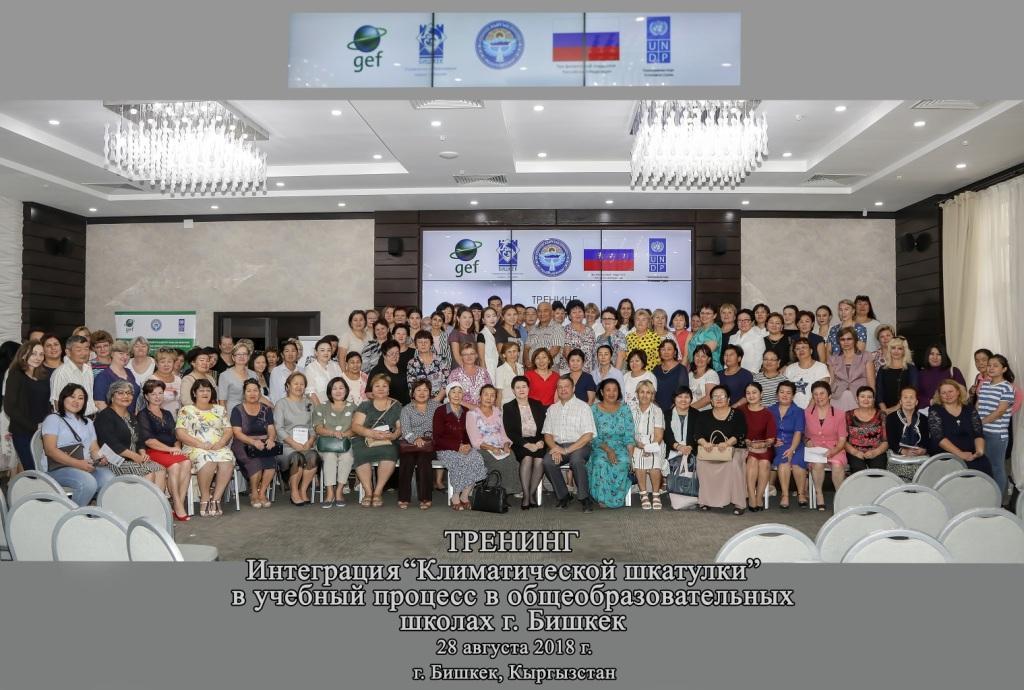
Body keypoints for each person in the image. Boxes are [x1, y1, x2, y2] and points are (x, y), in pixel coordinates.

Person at [41, 383, 114, 506]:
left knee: (109, 478)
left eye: (81, 398)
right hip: (58, 468)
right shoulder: (53, 419)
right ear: (63, 398)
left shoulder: (88, 422)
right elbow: (50, 450)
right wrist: (78, 464)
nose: (76, 401)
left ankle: (97, 512)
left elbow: (93, 448)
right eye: (72, 397)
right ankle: (74, 514)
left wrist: (100, 458)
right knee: (88, 482)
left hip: (84, 465)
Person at [176, 379, 234, 516]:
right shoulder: (186, 410)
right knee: (207, 459)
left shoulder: (220, 409)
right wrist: (200, 445)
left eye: (208, 390)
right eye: (201, 390)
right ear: (194, 393)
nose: (205, 393)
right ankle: (205, 497)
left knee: (227, 459)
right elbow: (180, 433)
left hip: (218, 447)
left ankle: (216, 499)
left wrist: (221, 443)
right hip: (194, 447)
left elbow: (228, 430)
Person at [94, 379, 167, 488]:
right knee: (148, 472)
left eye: (129, 393)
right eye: (120, 393)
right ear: (112, 396)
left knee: (160, 469)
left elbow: (140, 439)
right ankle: (143, 499)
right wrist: (135, 456)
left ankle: (156, 499)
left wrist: (142, 453)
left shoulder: (131, 416)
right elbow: (111, 444)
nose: (125, 396)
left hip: (134, 459)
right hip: (114, 461)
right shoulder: (105, 416)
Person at [138, 379, 192, 520]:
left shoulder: (167, 413)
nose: (157, 397)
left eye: (160, 393)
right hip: (153, 451)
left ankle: (178, 503)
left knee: (187, 462)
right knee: (175, 466)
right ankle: (178, 505)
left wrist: (177, 447)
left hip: (170, 450)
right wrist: (170, 449)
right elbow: (148, 441)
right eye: (153, 394)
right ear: (146, 396)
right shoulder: (143, 414)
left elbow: (175, 436)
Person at [542, 377, 597, 512]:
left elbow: (588, 435)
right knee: (547, 461)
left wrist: (566, 450)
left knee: (576, 460)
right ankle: (564, 496)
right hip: (558, 445)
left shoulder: (583, 407)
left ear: (573, 388)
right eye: (560, 387)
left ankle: (584, 498)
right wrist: (555, 448)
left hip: (580, 445)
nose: (563, 390)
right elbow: (547, 434)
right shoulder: (552, 409)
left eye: (566, 386)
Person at [694, 384, 748, 515]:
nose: (719, 398)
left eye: (722, 396)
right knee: (702, 463)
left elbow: (740, 433)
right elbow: (697, 434)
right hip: (710, 450)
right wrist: (704, 443)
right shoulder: (703, 415)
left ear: (728, 399)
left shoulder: (737, 414)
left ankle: (738, 502)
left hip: (733, 449)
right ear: (711, 400)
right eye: (715, 396)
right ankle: (706, 501)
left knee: (734, 464)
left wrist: (727, 443)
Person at [432, 381, 486, 510]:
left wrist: (468, 445)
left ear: (463, 395)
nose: (457, 395)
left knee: (477, 459)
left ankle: (465, 495)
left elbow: (469, 433)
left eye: (460, 392)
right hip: (445, 449)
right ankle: (455, 496)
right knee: (460, 461)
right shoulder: (440, 411)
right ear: (448, 394)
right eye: (453, 392)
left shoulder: (466, 411)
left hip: (464, 447)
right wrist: (457, 447)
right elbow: (437, 438)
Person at [351, 372, 402, 507]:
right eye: (377, 386)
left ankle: (378, 492)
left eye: (384, 386)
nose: (380, 389)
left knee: (390, 452)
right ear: (371, 389)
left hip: (387, 440)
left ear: (389, 389)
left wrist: (394, 435)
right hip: (365, 439)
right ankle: (368, 492)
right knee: (360, 452)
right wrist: (371, 433)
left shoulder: (396, 405)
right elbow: (355, 426)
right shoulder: (365, 405)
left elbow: (399, 427)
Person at [588, 378, 635, 509]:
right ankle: (602, 498)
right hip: (600, 446)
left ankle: (616, 499)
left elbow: (629, 434)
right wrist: (608, 450)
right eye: (608, 390)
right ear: (602, 392)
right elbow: (592, 435)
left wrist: (631, 457)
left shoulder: (625, 408)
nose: (611, 393)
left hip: (621, 446)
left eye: (615, 390)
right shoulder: (593, 409)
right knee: (601, 462)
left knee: (623, 461)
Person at [468, 384, 522, 498]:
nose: (489, 398)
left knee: (511, 455)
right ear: (480, 396)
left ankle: (507, 491)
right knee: (498, 461)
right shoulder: (472, 414)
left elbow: (504, 435)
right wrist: (492, 448)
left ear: (495, 398)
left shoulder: (498, 413)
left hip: (499, 447)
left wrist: (506, 445)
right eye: (486, 394)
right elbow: (475, 441)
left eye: (492, 395)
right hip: (482, 449)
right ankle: (494, 492)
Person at [274, 372, 320, 506]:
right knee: (297, 458)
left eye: (302, 384)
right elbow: (279, 429)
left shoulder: (309, 403)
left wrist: (310, 441)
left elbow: (313, 426)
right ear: (288, 386)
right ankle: (294, 492)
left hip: (306, 444)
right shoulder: (281, 404)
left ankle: (303, 490)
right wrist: (294, 444)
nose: (299, 386)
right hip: (287, 445)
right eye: (295, 384)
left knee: (313, 456)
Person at [928, 379, 990, 477]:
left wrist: (979, 451)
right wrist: (960, 454)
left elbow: (978, 433)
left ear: (958, 392)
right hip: (946, 457)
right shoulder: (935, 409)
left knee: (983, 466)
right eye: (943, 393)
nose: (947, 395)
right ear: (939, 395)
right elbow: (938, 437)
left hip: (971, 454)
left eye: (950, 391)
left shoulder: (969, 408)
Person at [4, 340, 50, 472]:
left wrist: (47, 423)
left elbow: (46, 403)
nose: (38, 357)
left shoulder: (43, 375)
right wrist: (33, 426)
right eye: (34, 353)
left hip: (42, 431)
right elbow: (9, 408)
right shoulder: (16, 374)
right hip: (23, 432)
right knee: (33, 471)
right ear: (24, 354)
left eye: (41, 354)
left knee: (44, 469)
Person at [503, 376, 548, 510]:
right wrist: (526, 445)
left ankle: (531, 493)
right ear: (513, 390)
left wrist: (541, 441)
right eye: (518, 387)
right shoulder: (508, 407)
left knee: (539, 460)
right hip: (520, 442)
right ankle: (526, 496)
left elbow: (545, 426)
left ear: (528, 388)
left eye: (524, 386)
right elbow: (510, 431)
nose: (521, 390)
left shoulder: (537, 404)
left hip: (538, 441)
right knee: (527, 458)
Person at [312, 377, 357, 508]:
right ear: (329, 391)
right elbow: (318, 428)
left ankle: (339, 491)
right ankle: (330, 492)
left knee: (347, 457)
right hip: (326, 444)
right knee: (330, 456)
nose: (338, 391)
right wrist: (333, 433)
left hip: (347, 442)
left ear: (346, 390)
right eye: (334, 388)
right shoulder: (321, 407)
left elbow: (356, 428)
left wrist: (343, 435)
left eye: (341, 388)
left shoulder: (354, 407)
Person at [804, 381, 848, 511]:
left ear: (829, 395)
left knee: (837, 465)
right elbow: (803, 434)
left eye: (822, 393)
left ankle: (840, 496)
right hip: (815, 449)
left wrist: (833, 451)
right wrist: (807, 441)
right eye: (815, 394)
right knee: (817, 464)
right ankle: (819, 495)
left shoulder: (840, 414)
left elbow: (842, 440)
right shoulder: (806, 413)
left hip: (835, 448)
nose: (819, 397)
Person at [975, 355, 1014, 497]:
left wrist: (980, 423)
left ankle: (999, 500)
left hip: (996, 434)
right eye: (989, 365)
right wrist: (975, 422)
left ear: (1004, 369)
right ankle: (988, 496)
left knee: (997, 467)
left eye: (995, 365)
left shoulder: (1007, 387)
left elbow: (1000, 412)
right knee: (984, 465)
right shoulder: (985, 384)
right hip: (982, 432)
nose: (991, 368)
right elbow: (978, 405)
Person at [398, 379, 439, 510]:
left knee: (424, 460)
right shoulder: (406, 409)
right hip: (410, 444)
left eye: (425, 390)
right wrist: (415, 439)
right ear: (413, 393)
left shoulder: (437, 407)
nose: (422, 393)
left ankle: (425, 498)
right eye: (418, 390)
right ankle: (403, 497)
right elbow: (405, 430)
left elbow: (441, 427)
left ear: (430, 392)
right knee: (406, 460)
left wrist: (429, 440)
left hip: (429, 445)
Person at [629, 380, 667, 510]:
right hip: (636, 443)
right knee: (638, 459)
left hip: (655, 443)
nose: (645, 395)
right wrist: (638, 445)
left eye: (648, 392)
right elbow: (628, 432)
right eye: (642, 392)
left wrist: (649, 448)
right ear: (637, 394)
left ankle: (656, 495)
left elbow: (659, 436)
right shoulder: (631, 410)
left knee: (654, 462)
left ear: (652, 395)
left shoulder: (657, 411)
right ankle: (643, 494)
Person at [770, 381, 807, 509]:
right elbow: (766, 430)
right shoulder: (770, 410)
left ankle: (801, 494)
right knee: (784, 460)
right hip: (778, 445)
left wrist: (792, 449)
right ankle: (785, 495)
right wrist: (773, 440)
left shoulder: (798, 411)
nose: (785, 395)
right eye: (782, 392)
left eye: (788, 393)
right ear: (777, 394)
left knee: (797, 462)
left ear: (793, 395)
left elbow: (798, 432)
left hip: (796, 444)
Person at [742, 382, 777, 512]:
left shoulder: (768, 413)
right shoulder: (741, 410)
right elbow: (737, 432)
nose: (751, 396)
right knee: (752, 460)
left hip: (764, 448)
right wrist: (746, 441)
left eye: (754, 392)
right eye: (748, 393)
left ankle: (759, 496)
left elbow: (771, 438)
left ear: (761, 394)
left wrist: (764, 444)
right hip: (745, 448)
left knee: (764, 462)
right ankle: (751, 496)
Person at [827, 327, 876, 411]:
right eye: (842, 339)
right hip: (837, 397)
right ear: (839, 341)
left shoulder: (866, 356)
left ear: (855, 340)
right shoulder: (833, 358)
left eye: (849, 339)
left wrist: (872, 402)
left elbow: (871, 382)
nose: (846, 342)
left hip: (860, 398)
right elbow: (831, 381)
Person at [844, 386, 889, 473]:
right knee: (858, 470)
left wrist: (875, 452)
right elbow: (843, 440)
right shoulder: (848, 415)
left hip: (876, 451)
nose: (866, 399)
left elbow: (885, 441)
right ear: (857, 399)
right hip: (854, 452)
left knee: (878, 472)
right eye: (862, 396)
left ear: (873, 399)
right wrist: (855, 452)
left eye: (869, 397)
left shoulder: (881, 415)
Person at [49, 335, 96, 416]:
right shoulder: (61, 373)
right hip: (74, 420)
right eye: (79, 350)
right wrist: (72, 422)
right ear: (68, 352)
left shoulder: (88, 369)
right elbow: (57, 403)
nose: (84, 353)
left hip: (91, 418)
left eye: (86, 349)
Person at [664, 385, 697, 489]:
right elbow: (666, 434)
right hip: (671, 449)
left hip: (691, 450)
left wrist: (689, 447)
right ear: (674, 399)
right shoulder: (666, 414)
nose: (683, 400)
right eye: (680, 396)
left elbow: (698, 434)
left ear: (691, 399)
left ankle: (689, 490)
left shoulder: (697, 415)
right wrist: (678, 446)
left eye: (686, 397)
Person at [885, 386, 930, 461]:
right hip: (898, 456)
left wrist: (923, 450)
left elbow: (926, 440)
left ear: (916, 402)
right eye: (905, 397)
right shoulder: (891, 418)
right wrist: (903, 451)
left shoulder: (923, 419)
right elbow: (891, 441)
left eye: (911, 398)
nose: (908, 401)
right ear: (900, 402)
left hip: (919, 456)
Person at [93, 340, 140, 412]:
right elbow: (99, 403)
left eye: (127, 354)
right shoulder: (103, 376)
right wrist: (114, 418)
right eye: (121, 353)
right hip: (112, 418)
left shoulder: (129, 372)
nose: (125, 357)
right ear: (112, 354)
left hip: (131, 417)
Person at [784, 338, 831, 409]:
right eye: (797, 349)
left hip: (815, 410)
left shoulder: (821, 367)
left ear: (811, 351)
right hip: (792, 410)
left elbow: (821, 393)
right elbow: (785, 391)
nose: (801, 350)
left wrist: (808, 411)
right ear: (795, 353)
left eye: (804, 347)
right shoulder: (790, 369)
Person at [876, 336, 918, 414]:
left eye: (900, 348)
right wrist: (884, 410)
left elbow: (913, 391)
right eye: (893, 348)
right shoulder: (882, 369)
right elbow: (879, 392)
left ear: (904, 351)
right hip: (884, 410)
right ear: (889, 350)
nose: (896, 351)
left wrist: (895, 408)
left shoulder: (911, 369)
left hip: (905, 410)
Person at [407, 330, 450, 403]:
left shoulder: (441, 359)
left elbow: (446, 382)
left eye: (426, 342)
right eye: (420, 342)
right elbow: (411, 386)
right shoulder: (412, 363)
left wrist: (435, 401)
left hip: (440, 401)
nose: (423, 345)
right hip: (420, 402)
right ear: (416, 345)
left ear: (431, 344)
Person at [447, 342, 491, 410]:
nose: (469, 357)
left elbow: (490, 392)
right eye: (465, 354)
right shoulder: (454, 374)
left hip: (484, 410)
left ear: (476, 355)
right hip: (462, 411)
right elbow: (451, 397)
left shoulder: (484, 372)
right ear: (461, 356)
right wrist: (473, 408)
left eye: (472, 354)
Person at [217, 342, 258, 414]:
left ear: (248, 357)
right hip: (232, 413)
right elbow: (222, 401)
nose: (242, 357)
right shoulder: (224, 375)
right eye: (238, 354)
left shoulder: (253, 374)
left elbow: (258, 396)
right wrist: (225, 418)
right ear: (233, 357)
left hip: (251, 413)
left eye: (244, 354)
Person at [302, 337, 343, 407]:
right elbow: (310, 393)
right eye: (322, 350)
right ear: (316, 352)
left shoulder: (336, 366)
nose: (326, 353)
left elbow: (342, 386)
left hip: (336, 407)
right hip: (319, 407)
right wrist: (320, 410)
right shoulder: (310, 368)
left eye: (329, 350)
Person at [524, 302, 564, 372]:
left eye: (545, 311)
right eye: (539, 311)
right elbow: (526, 348)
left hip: (549, 369)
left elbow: (555, 350)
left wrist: (538, 364)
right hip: (531, 369)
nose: (542, 314)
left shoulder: (557, 327)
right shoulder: (533, 328)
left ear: (551, 312)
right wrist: (527, 362)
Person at [651, 339, 687, 416]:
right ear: (660, 352)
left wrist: (670, 411)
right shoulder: (656, 369)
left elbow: (683, 392)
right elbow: (651, 390)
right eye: (663, 349)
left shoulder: (681, 369)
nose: (666, 352)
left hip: (675, 411)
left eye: (669, 349)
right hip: (656, 410)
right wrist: (657, 408)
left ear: (675, 352)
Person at [561, 300, 597, 374]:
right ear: (569, 316)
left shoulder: (590, 330)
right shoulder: (565, 330)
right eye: (574, 312)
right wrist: (576, 370)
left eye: (580, 311)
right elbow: (566, 352)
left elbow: (593, 353)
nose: (577, 314)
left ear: (583, 313)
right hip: (569, 371)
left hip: (587, 371)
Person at [688, 304, 724, 371]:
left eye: (708, 313)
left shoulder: (713, 330)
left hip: (708, 370)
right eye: (702, 313)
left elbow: (704, 354)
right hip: (697, 368)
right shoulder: (701, 329)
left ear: (714, 315)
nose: (704, 316)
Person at [148, 347, 183, 415]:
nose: (166, 365)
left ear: (174, 363)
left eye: (169, 362)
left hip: (178, 417)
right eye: (162, 362)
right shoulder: (151, 380)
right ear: (157, 363)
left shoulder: (178, 379)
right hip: (159, 418)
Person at [729, 309, 765, 373]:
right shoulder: (732, 337)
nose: (743, 323)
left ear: (752, 322)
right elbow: (728, 355)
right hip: (731, 372)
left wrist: (753, 373)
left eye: (746, 320)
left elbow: (759, 358)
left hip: (750, 373)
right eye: (740, 320)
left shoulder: (758, 337)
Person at [688, 344, 720, 411]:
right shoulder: (690, 374)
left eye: (703, 356)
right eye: (697, 355)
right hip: (690, 411)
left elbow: (709, 398)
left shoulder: (711, 374)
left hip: (704, 413)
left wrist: (689, 409)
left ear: (709, 359)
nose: (699, 359)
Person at [475, 307, 501, 381]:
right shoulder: (481, 335)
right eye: (488, 316)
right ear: (483, 320)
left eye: (494, 316)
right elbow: (481, 359)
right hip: (489, 369)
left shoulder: (498, 332)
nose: (492, 319)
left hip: (499, 368)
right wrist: (484, 375)